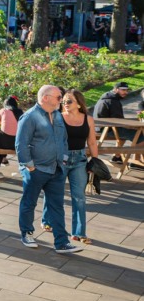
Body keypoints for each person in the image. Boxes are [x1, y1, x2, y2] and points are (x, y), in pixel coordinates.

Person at [15, 85, 82, 254]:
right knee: (29, 203)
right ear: (45, 98)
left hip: (57, 169)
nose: (62, 100)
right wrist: (29, 166)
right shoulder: (30, 117)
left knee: (57, 206)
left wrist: (64, 159)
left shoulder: (58, 116)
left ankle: (61, 243)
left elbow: (63, 140)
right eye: (59, 97)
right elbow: (21, 144)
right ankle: (27, 234)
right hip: (36, 170)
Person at [54, 88, 98, 245]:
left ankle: (79, 232)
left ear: (79, 104)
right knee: (55, 193)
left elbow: (92, 142)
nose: (65, 103)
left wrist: (95, 161)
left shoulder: (88, 119)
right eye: (63, 101)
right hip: (61, 159)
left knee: (79, 197)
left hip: (79, 160)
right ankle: (48, 221)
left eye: (69, 101)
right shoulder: (57, 118)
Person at [0, 95, 22, 172]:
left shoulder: (3, 111)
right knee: (4, 138)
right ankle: (4, 159)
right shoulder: (20, 112)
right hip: (16, 143)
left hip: (3, 143)